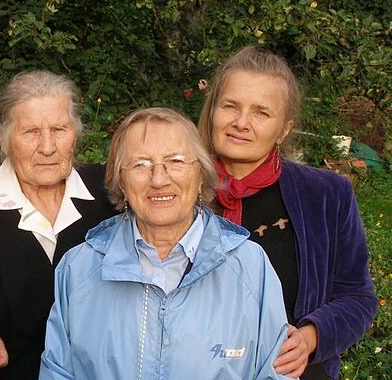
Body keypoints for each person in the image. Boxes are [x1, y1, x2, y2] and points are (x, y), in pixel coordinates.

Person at [40, 107, 291, 379]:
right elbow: (57, 372)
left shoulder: (249, 266)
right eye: (140, 164)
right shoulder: (79, 268)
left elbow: (275, 372)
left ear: (201, 176)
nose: (159, 179)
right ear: (121, 182)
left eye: (176, 161)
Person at [198, 46, 378, 380]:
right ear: (212, 111)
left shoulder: (325, 195)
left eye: (261, 113)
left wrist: (311, 337)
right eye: (230, 106)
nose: (241, 123)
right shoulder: (174, 186)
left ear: (284, 129)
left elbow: (357, 297)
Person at [0, 70, 118, 379]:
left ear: (76, 133)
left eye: (59, 128)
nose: (47, 146)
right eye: (30, 131)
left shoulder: (110, 194)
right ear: (5, 139)